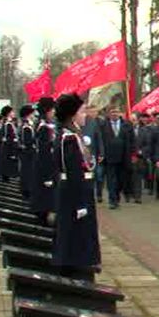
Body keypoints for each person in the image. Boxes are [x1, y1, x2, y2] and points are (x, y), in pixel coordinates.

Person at [52, 93, 101, 274]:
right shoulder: (69, 138)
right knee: (74, 230)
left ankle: (82, 260)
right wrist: (80, 203)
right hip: (74, 192)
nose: (85, 116)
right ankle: (74, 264)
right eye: (81, 112)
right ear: (72, 115)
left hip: (79, 188)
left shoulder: (74, 135)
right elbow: (73, 172)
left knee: (82, 230)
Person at [98, 106, 133, 209]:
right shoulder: (103, 125)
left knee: (121, 179)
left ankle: (117, 196)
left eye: (116, 112)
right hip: (109, 158)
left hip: (123, 157)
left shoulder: (127, 125)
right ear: (109, 114)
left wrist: (133, 154)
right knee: (111, 180)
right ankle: (112, 200)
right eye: (112, 112)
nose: (114, 114)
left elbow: (132, 141)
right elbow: (100, 141)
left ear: (120, 113)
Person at [30, 98, 57, 226]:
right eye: (52, 110)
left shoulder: (47, 126)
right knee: (44, 201)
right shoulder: (43, 128)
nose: (54, 112)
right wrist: (47, 176)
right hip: (44, 170)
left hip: (47, 167)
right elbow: (44, 152)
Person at [82, 106, 105, 203]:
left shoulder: (95, 123)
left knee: (99, 176)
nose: (93, 113)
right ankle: (88, 195)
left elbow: (99, 138)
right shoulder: (81, 122)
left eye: (94, 111)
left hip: (94, 154)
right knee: (88, 176)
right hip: (84, 154)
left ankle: (99, 194)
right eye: (91, 111)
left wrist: (101, 153)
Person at [18, 105, 37, 200]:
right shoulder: (26, 127)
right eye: (32, 113)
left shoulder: (28, 125)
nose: (34, 115)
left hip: (28, 153)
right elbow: (28, 142)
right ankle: (26, 191)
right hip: (27, 154)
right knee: (27, 172)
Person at [0, 106, 19, 182]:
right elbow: (8, 137)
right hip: (8, 148)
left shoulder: (9, 123)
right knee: (7, 165)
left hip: (10, 146)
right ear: (8, 113)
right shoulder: (7, 124)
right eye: (12, 112)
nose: (13, 113)